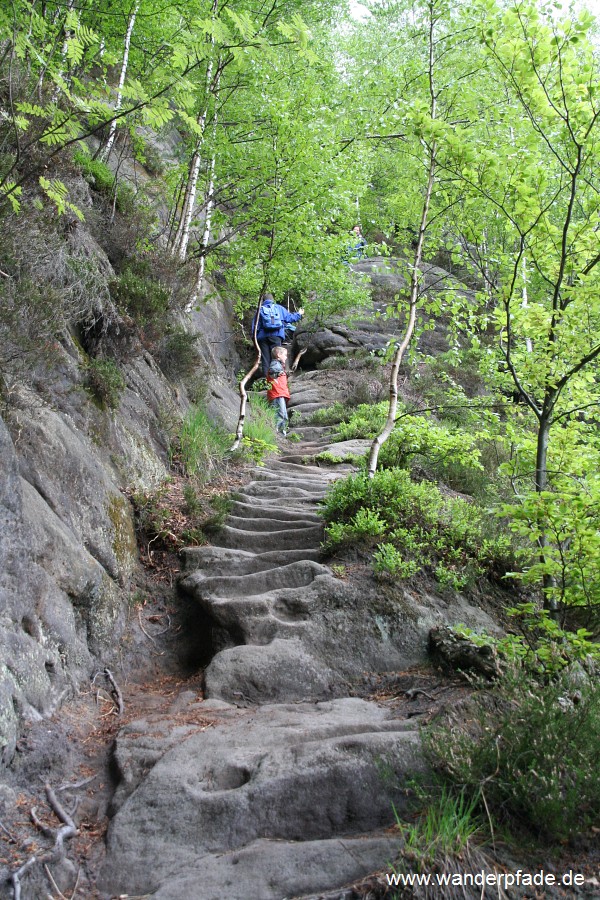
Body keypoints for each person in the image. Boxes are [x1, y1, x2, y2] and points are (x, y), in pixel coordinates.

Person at [251, 293, 304, 376]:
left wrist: (254, 339)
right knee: (276, 358)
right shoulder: (278, 308)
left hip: (262, 338)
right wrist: (299, 314)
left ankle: (267, 381)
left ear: (263, 301)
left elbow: (255, 327)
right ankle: (277, 379)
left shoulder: (260, 310)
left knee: (265, 359)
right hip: (276, 336)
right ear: (272, 300)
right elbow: (290, 318)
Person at [266, 346, 291, 436]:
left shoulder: (279, 365)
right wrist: (278, 373)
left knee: (283, 415)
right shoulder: (275, 364)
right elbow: (272, 372)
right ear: (278, 355)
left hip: (279, 393)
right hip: (277, 394)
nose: (286, 357)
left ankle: (282, 434)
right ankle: (278, 435)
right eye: (285, 355)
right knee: (280, 414)